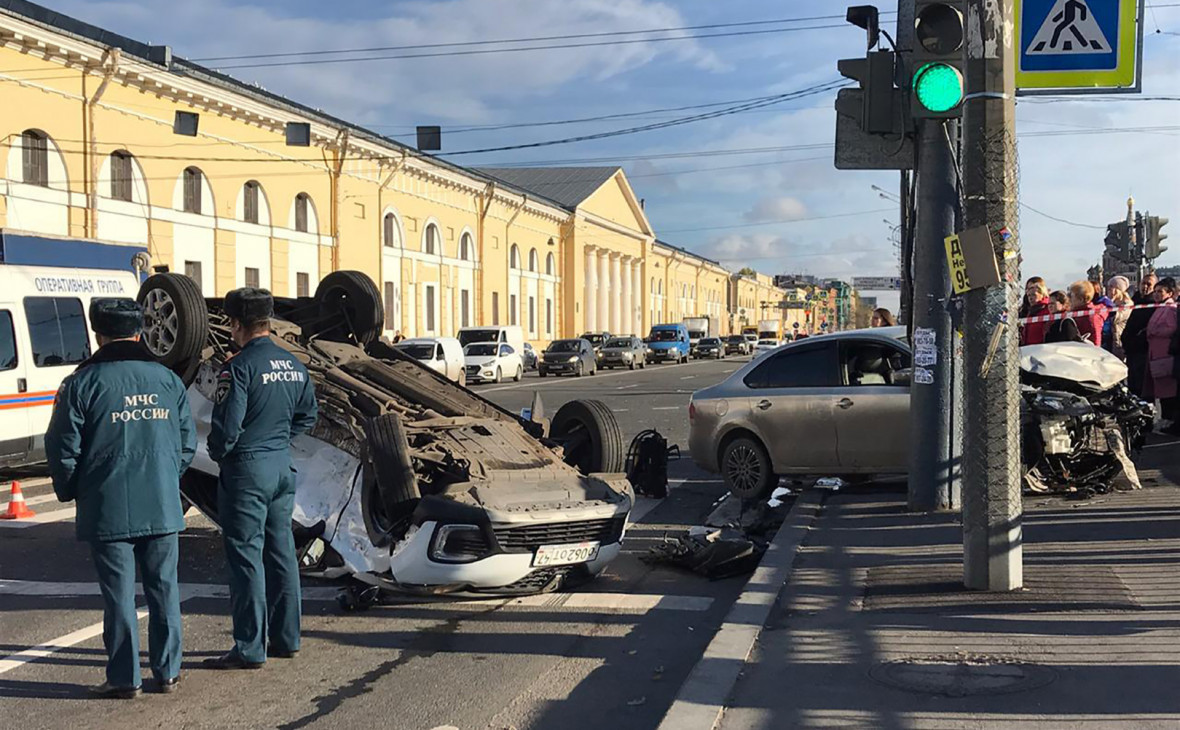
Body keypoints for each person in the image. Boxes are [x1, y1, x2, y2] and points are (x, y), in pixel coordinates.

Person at [45, 299, 195, 698]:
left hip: (107, 506)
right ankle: (168, 672)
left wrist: (74, 490)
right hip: (161, 503)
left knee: (118, 596)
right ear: (140, 332)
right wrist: (166, 478)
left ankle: (125, 678)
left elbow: (62, 448)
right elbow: (186, 444)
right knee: (165, 589)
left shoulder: (80, 383)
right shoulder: (167, 380)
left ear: (98, 335)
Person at [204, 288, 318, 670]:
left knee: (246, 557)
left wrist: (220, 453)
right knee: (282, 553)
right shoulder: (294, 365)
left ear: (236, 324)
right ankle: (287, 638)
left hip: (247, 471)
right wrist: (279, 439)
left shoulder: (237, 368)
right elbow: (308, 415)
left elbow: (226, 430)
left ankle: (250, 647)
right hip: (281, 465)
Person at [1143, 278, 1178, 435]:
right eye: (1155, 291)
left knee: (1167, 389)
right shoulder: (1160, 307)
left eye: (1160, 292)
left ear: (1169, 293)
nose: (1156, 294)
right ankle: (1165, 418)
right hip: (1156, 353)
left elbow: (1172, 328)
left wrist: (1153, 331)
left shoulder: (1170, 309)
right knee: (1161, 389)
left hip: (1164, 354)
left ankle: (1168, 419)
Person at [1124, 275, 1159, 397]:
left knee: (1143, 387)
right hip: (1131, 350)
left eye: (1149, 284)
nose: (1145, 287)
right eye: (1143, 283)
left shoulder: (1154, 305)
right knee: (1132, 385)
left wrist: (1137, 340)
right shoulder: (1135, 301)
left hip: (1143, 351)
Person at [1067, 280, 1104, 345]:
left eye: (1071, 296)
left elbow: (1096, 340)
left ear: (1081, 299)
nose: (1068, 298)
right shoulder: (1073, 313)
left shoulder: (1091, 316)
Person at [1104, 276, 1132, 358]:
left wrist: (1110, 303)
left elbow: (1115, 318)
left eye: (1111, 287)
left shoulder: (1127, 304)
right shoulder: (1112, 302)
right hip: (1108, 338)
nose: (1108, 289)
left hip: (1118, 340)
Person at [1020, 278, 1051, 346]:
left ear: (1042, 294)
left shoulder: (1047, 308)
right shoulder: (1031, 310)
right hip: (1029, 346)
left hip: (1041, 346)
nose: (1030, 298)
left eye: (1034, 295)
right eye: (1029, 296)